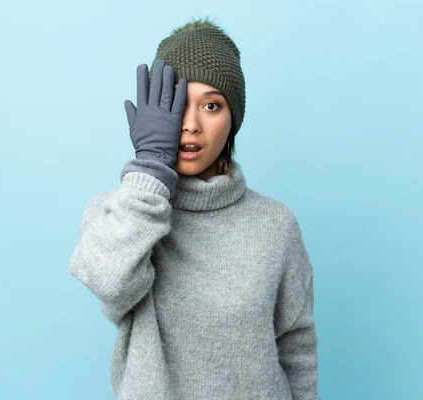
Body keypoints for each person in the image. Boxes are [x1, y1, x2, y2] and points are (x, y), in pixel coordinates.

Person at [68, 17, 319, 399]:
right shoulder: (118, 213)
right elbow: (111, 284)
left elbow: (296, 348)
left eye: (212, 105)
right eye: (177, 105)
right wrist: (150, 169)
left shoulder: (276, 225)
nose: (190, 125)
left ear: (233, 119)